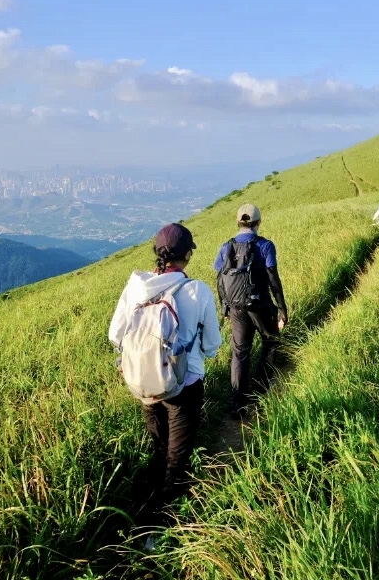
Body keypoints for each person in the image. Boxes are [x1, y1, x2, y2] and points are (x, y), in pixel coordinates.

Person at [107, 222, 223, 522]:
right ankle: (165, 525)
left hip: (144, 383)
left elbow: (115, 334)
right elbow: (212, 344)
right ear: (187, 254)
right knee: (177, 458)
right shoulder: (197, 290)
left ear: (157, 253)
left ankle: (143, 510)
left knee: (159, 450)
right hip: (185, 383)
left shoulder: (135, 287)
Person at [213, 203, 288, 417]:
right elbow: (273, 278)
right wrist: (281, 308)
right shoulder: (265, 246)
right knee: (271, 342)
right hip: (260, 305)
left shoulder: (225, 247)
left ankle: (237, 403)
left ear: (238, 222)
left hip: (236, 308)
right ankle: (261, 390)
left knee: (239, 353)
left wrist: (224, 308)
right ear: (258, 223)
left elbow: (220, 280)